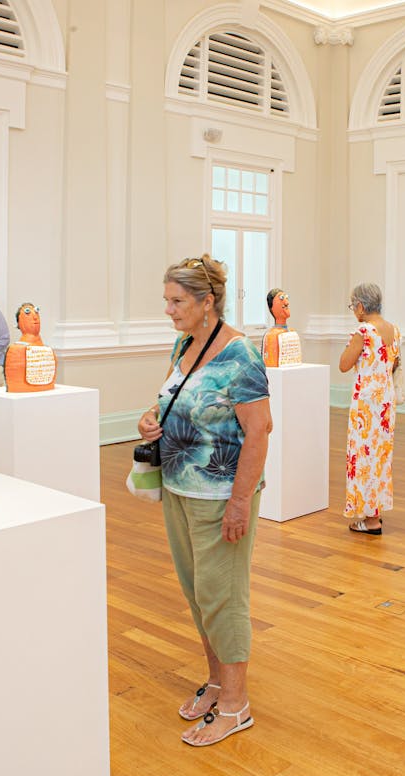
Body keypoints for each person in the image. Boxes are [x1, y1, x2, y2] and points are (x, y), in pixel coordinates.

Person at [136, 254, 271, 747]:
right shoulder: (183, 344)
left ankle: (237, 706)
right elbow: (167, 400)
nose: (169, 310)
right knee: (198, 597)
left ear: (206, 302)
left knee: (224, 598)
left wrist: (240, 503)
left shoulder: (241, 356)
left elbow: (259, 432)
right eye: (167, 301)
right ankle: (217, 684)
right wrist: (149, 419)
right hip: (178, 488)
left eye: (177, 301)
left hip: (220, 495)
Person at [339, 282, 401, 535]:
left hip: (366, 404)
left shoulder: (363, 331)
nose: (354, 311)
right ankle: (375, 510)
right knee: (380, 457)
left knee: (363, 457)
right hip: (386, 402)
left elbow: (344, 364)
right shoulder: (394, 330)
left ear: (361, 306)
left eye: (353, 306)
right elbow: (393, 363)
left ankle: (370, 519)